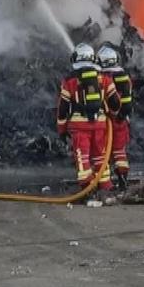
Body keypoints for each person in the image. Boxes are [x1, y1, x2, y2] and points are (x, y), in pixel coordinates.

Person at [56, 43, 114, 197]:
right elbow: (115, 102)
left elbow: (62, 108)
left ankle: (87, 189)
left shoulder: (69, 81)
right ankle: (106, 186)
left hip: (79, 126)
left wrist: (61, 129)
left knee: (83, 157)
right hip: (100, 124)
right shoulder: (104, 78)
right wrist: (112, 114)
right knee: (101, 155)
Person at [97, 43, 134, 190]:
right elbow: (127, 101)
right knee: (119, 151)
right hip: (120, 120)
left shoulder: (101, 78)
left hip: (104, 120)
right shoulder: (124, 77)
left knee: (102, 151)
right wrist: (122, 116)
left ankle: (105, 183)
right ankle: (122, 179)